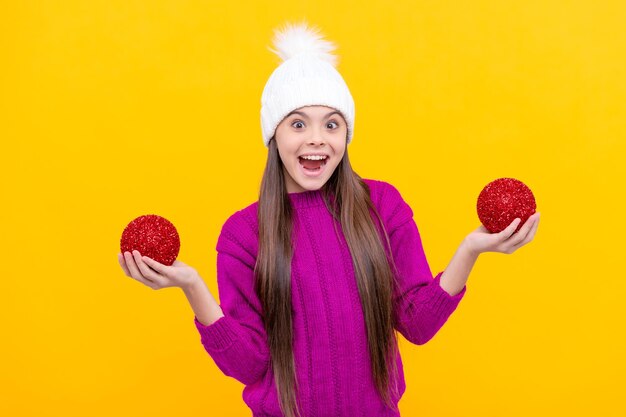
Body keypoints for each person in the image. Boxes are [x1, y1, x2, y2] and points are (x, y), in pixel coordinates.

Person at [118, 21, 540, 417]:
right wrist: (191, 285)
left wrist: (470, 250)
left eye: (332, 124)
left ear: (345, 135)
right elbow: (250, 364)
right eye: (298, 123)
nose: (316, 138)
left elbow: (417, 323)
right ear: (274, 136)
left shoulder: (382, 206)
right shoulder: (243, 235)